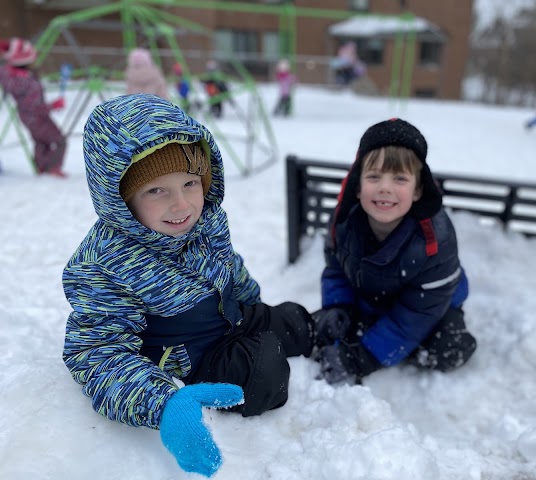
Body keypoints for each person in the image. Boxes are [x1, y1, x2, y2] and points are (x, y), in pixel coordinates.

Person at [62, 93, 315, 476]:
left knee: (293, 320)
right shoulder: (103, 266)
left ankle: (322, 336)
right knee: (266, 370)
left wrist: (254, 304)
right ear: (119, 199)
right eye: (156, 191)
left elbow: (228, 265)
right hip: (192, 360)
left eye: (189, 184)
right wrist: (162, 403)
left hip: (230, 317)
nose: (181, 206)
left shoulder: (206, 220)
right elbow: (97, 353)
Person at [314, 118, 477, 385]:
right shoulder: (343, 222)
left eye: (399, 178)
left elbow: (417, 313)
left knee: (447, 345)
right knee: (329, 329)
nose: (385, 187)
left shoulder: (436, 239)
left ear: (417, 190)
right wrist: (338, 306)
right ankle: (378, 332)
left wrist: (363, 357)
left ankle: (404, 346)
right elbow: (335, 268)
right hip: (374, 294)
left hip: (432, 305)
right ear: (357, 185)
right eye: (374, 176)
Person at [0, 37, 66, 176]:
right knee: (59, 140)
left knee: (40, 141)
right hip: (38, 117)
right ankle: (53, 168)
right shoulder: (29, 83)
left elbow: (5, 64)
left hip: (25, 116)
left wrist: (7, 48)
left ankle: (41, 167)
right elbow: (36, 107)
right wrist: (54, 105)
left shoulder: (8, 74)